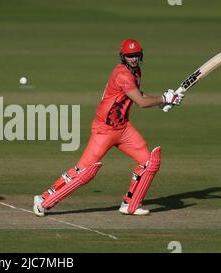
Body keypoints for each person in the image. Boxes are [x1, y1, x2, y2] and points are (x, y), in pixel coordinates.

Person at [33, 39, 184, 216]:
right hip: (104, 129)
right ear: (123, 57)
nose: (133, 59)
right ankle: (43, 200)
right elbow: (141, 102)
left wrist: (160, 101)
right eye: (129, 56)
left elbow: (138, 95)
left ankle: (130, 204)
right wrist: (163, 99)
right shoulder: (122, 74)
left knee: (150, 162)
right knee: (84, 172)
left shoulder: (136, 72)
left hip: (123, 128)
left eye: (135, 55)